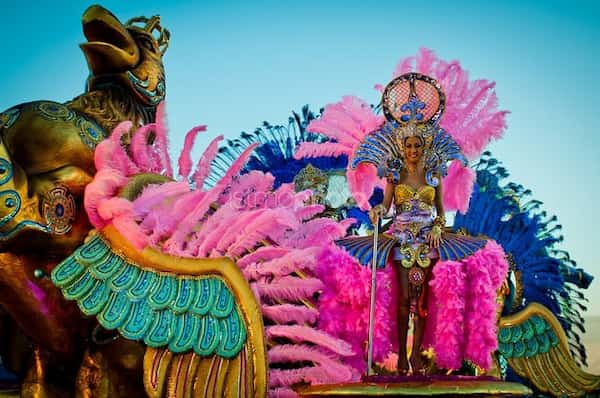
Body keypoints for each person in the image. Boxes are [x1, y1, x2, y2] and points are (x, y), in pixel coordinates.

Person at [368, 133, 445, 375]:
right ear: (403, 147)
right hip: (401, 241)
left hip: (427, 242)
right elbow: (386, 205)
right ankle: (401, 353)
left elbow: (441, 212)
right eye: (409, 145)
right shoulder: (394, 175)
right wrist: (377, 209)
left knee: (422, 303)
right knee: (403, 300)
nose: (413, 150)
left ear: (425, 147)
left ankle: (416, 354)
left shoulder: (434, 176)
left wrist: (437, 226)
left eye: (417, 145)